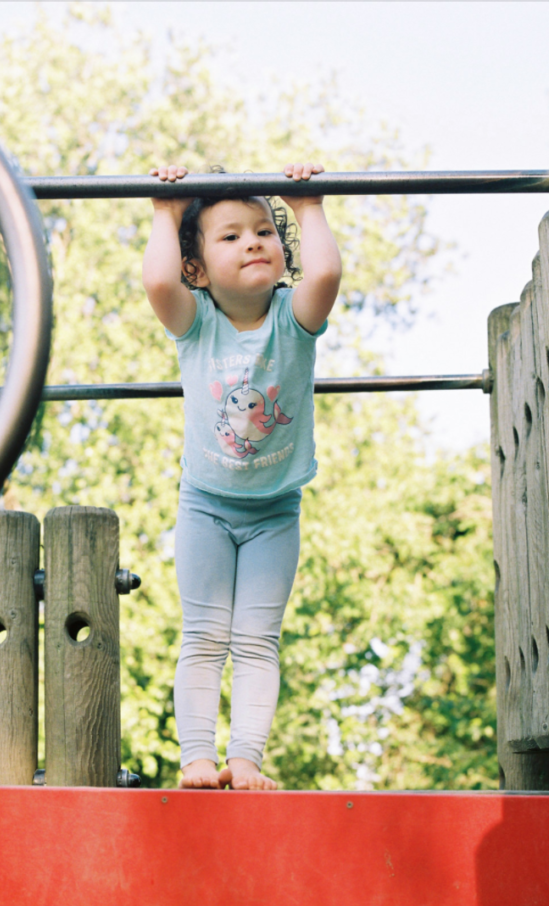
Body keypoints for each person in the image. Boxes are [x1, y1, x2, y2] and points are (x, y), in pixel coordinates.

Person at [143, 161, 342, 790]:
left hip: (275, 510)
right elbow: (155, 282)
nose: (253, 241)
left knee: (257, 639)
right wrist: (165, 212)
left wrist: (308, 208)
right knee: (204, 635)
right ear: (195, 268)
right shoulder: (194, 321)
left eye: (263, 230)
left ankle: (246, 760)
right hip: (204, 503)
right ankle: (198, 759)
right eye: (229, 236)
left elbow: (328, 272)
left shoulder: (295, 317)